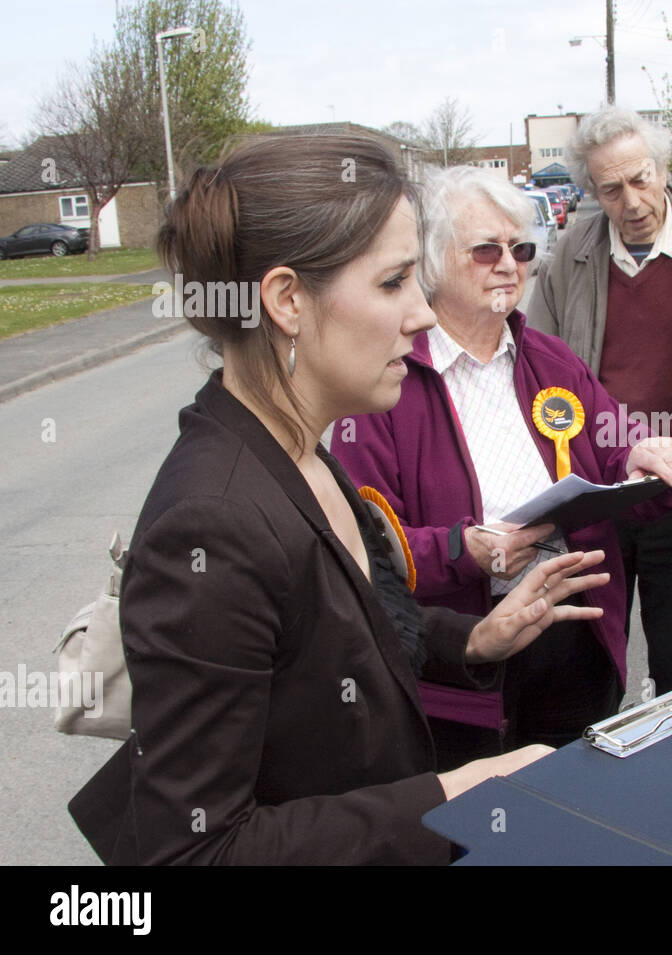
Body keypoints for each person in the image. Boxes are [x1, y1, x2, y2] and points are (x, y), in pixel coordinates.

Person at [67, 134, 614, 865]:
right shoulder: (212, 524)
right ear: (288, 300)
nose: (421, 314)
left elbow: (346, 631)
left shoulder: (300, 451)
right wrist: (451, 796)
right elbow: (194, 851)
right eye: (393, 283)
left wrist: (472, 641)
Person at [331, 165, 672, 769]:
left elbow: (609, 442)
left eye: (521, 248)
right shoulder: (385, 383)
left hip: (575, 634)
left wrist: (642, 452)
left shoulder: (551, 359)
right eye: (485, 249)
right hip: (465, 657)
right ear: (431, 260)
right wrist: (464, 550)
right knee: (481, 825)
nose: (509, 264)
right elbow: (366, 550)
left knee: (579, 811)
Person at [526, 106, 672, 693]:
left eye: (642, 178)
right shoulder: (570, 255)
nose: (633, 201)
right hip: (604, 491)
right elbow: (536, 365)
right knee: (591, 663)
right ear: (592, 191)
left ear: (663, 169)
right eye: (611, 189)